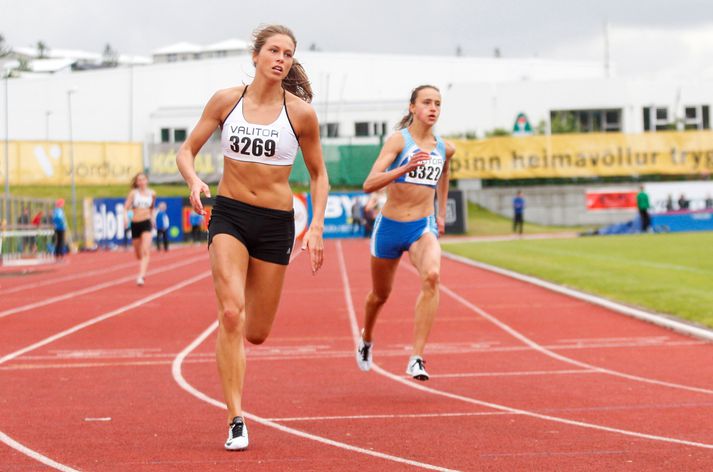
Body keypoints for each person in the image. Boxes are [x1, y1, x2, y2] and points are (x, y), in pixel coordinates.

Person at [176, 24, 328, 452]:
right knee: (230, 313)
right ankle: (236, 418)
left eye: (288, 53)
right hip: (230, 214)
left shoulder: (300, 114)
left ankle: (241, 341)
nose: (281, 59)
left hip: (275, 222)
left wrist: (315, 226)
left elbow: (319, 175)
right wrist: (192, 180)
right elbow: (186, 150)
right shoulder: (227, 101)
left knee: (256, 332)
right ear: (257, 56)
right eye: (274, 50)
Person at [355, 84, 456, 382]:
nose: (433, 108)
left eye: (437, 103)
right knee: (379, 295)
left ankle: (416, 358)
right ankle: (367, 338)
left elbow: (445, 172)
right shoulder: (399, 142)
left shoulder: (444, 148)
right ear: (412, 107)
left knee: (433, 276)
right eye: (427, 102)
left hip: (421, 226)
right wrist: (404, 168)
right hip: (389, 227)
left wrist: (439, 213)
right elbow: (369, 183)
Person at [124, 172, 156, 286]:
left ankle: (141, 276)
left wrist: (153, 219)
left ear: (146, 181)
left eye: (143, 179)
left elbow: (152, 208)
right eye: (139, 180)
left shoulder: (152, 193)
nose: (142, 182)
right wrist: (125, 218)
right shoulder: (133, 193)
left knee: (145, 250)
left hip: (146, 222)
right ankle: (141, 264)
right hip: (135, 223)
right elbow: (126, 207)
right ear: (137, 182)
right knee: (138, 253)